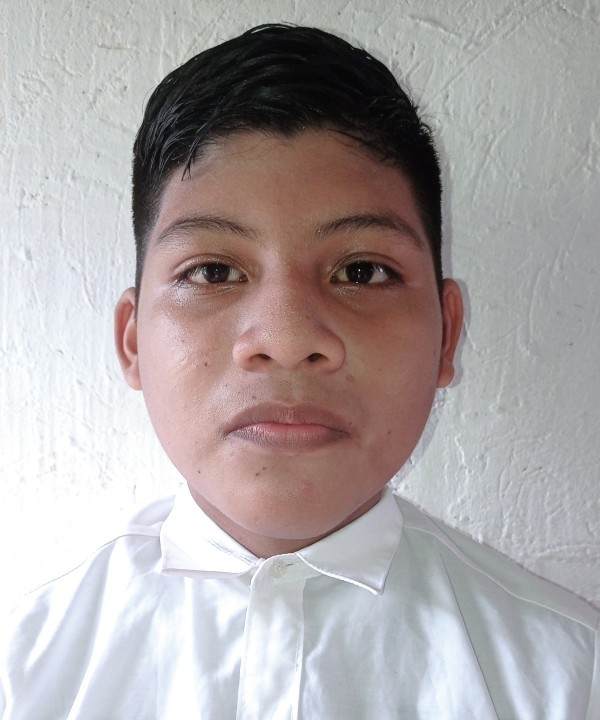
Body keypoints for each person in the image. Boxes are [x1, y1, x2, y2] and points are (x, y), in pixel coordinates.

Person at [1, 23, 597, 720]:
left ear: (447, 334)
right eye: (214, 271)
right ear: (132, 341)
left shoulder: (572, 679)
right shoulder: (22, 671)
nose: (286, 341)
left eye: (362, 271)